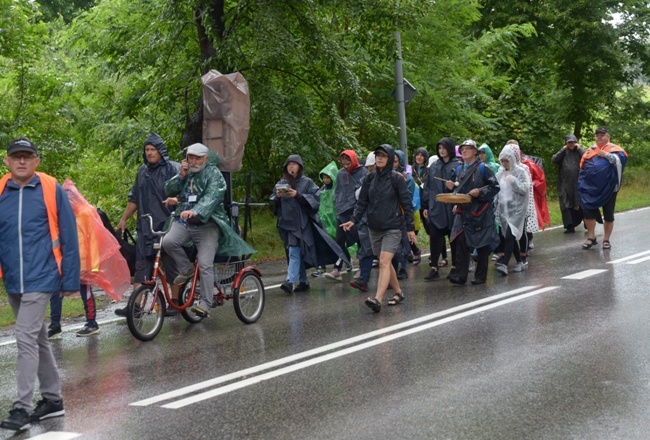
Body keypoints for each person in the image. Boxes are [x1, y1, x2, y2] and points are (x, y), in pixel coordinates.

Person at [0, 138, 80, 431]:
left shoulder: (50, 189)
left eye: (27, 156)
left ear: (36, 161)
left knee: (24, 337)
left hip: (42, 276)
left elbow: (69, 235)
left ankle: (21, 409)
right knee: (38, 339)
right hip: (13, 278)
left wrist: (70, 279)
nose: (21, 161)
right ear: (7, 161)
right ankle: (52, 399)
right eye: (16, 156)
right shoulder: (1, 191)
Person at [162, 143, 255, 316]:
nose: (194, 161)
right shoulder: (187, 173)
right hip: (186, 222)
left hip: (209, 223)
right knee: (168, 242)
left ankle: (205, 303)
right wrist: (181, 177)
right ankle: (187, 269)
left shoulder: (214, 174)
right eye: (191, 158)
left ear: (205, 158)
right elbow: (169, 189)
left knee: (205, 264)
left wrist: (196, 210)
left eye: (197, 158)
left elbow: (213, 196)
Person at [341, 144, 416, 313]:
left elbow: (407, 204)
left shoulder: (397, 179)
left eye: (383, 155)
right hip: (374, 227)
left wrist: (410, 228)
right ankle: (398, 292)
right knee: (385, 262)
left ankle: (377, 299)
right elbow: (362, 203)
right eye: (377, 155)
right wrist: (353, 220)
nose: (380, 158)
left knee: (383, 262)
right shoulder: (370, 178)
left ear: (389, 158)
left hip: (393, 227)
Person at [114, 133, 180, 316]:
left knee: (171, 264)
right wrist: (124, 219)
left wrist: (177, 202)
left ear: (160, 151)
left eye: (153, 149)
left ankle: (175, 303)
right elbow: (134, 198)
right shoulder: (142, 172)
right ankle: (135, 307)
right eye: (147, 150)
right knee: (141, 267)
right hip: (145, 227)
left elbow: (183, 193)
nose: (150, 153)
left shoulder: (172, 169)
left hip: (167, 225)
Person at [272, 154, 348, 293]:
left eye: (294, 164)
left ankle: (289, 281)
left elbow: (315, 200)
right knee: (295, 252)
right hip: (286, 224)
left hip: (302, 224)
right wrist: (277, 197)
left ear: (300, 167)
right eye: (289, 164)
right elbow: (273, 204)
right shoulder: (281, 183)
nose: (291, 167)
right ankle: (303, 281)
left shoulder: (307, 182)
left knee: (294, 250)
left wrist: (298, 195)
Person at [448, 139, 500, 285]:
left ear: (475, 152)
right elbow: (457, 189)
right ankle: (461, 275)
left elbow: (495, 187)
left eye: (468, 149)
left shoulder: (483, 168)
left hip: (481, 211)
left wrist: (480, 193)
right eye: (462, 149)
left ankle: (480, 276)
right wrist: (452, 188)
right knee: (461, 242)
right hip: (463, 211)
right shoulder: (458, 169)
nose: (464, 151)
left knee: (482, 244)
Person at [578, 126, 628, 250]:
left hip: (609, 189)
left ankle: (606, 240)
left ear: (608, 137)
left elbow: (620, 162)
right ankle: (591, 237)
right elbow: (582, 167)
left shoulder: (615, 149)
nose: (599, 137)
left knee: (608, 213)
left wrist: (605, 155)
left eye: (602, 135)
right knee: (588, 211)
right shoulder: (590, 150)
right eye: (597, 135)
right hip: (590, 189)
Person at [324, 150, 367, 281]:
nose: (346, 165)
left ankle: (362, 267)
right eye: (343, 163)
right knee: (339, 240)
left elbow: (363, 192)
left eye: (348, 162)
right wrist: (338, 206)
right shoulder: (341, 174)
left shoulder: (363, 172)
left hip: (357, 211)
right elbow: (338, 192)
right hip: (343, 212)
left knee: (360, 239)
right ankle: (337, 268)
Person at [422, 137, 458, 281]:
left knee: (453, 237)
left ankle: (455, 266)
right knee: (435, 237)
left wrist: (454, 186)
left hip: (451, 207)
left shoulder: (457, 166)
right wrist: (425, 205)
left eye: (444, 148)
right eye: (439, 148)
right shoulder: (434, 167)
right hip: (436, 207)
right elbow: (428, 187)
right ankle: (434, 267)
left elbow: (462, 185)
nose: (441, 151)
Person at [494, 144, 531, 275]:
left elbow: (525, 189)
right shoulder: (500, 174)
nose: (504, 163)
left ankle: (504, 264)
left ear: (512, 160)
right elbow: (497, 192)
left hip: (518, 210)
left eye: (506, 161)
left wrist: (513, 181)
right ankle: (520, 262)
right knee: (510, 236)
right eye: (502, 161)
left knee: (510, 235)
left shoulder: (521, 172)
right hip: (504, 210)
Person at [393, 150, 420, 279]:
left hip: (402, 213)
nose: (393, 164)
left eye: (396, 161)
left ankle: (403, 268)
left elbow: (407, 197)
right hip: (389, 214)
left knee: (404, 241)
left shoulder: (406, 177)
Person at [551, 134, 585, 233]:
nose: (571, 144)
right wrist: (562, 149)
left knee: (580, 202)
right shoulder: (563, 152)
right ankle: (570, 226)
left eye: (573, 142)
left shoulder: (579, 152)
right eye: (569, 142)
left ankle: (587, 222)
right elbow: (554, 159)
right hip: (564, 182)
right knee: (565, 204)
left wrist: (579, 149)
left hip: (578, 181)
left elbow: (588, 157)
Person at [310, 161, 338, 277]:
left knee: (337, 244)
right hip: (324, 220)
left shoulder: (336, 190)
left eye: (328, 177)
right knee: (322, 243)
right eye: (324, 177)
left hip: (335, 221)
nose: (326, 180)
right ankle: (321, 267)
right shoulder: (322, 190)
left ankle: (342, 262)